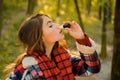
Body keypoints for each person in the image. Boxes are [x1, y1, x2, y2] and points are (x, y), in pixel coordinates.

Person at [6, 13, 101, 80]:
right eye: (50, 25)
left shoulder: (62, 57)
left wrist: (81, 37)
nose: (58, 26)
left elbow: (91, 69)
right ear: (41, 37)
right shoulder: (30, 70)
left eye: (53, 22)